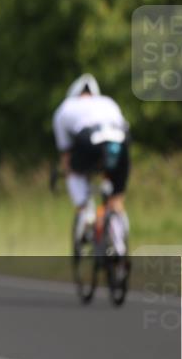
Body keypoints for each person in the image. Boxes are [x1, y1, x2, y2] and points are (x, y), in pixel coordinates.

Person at [52, 73, 131, 256]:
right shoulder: (108, 102)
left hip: (90, 139)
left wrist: (67, 172)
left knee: (74, 171)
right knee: (116, 199)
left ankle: (85, 213)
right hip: (121, 140)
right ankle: (119, 244)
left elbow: (66, 154)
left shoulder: (65, 108)